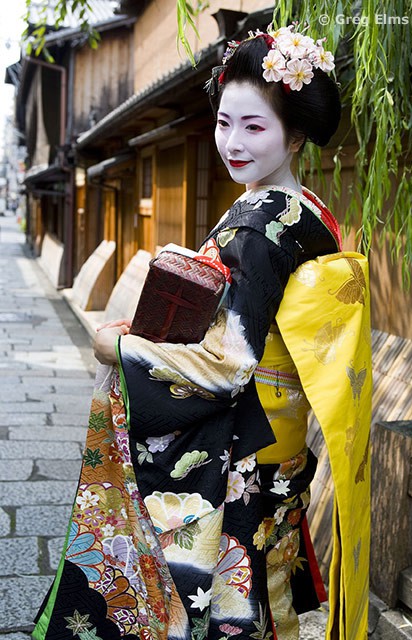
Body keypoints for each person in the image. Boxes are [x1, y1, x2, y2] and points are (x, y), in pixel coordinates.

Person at [33, 25, 371, 640]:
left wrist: (121, 347)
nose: (232, 143)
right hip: (281, 444)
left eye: (254, 126)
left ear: (295, 135)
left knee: (221, 607)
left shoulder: (258, 226)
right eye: (223, 123)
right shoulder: (309, 212)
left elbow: (230, 363)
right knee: (264, 594)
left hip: (244, 447)